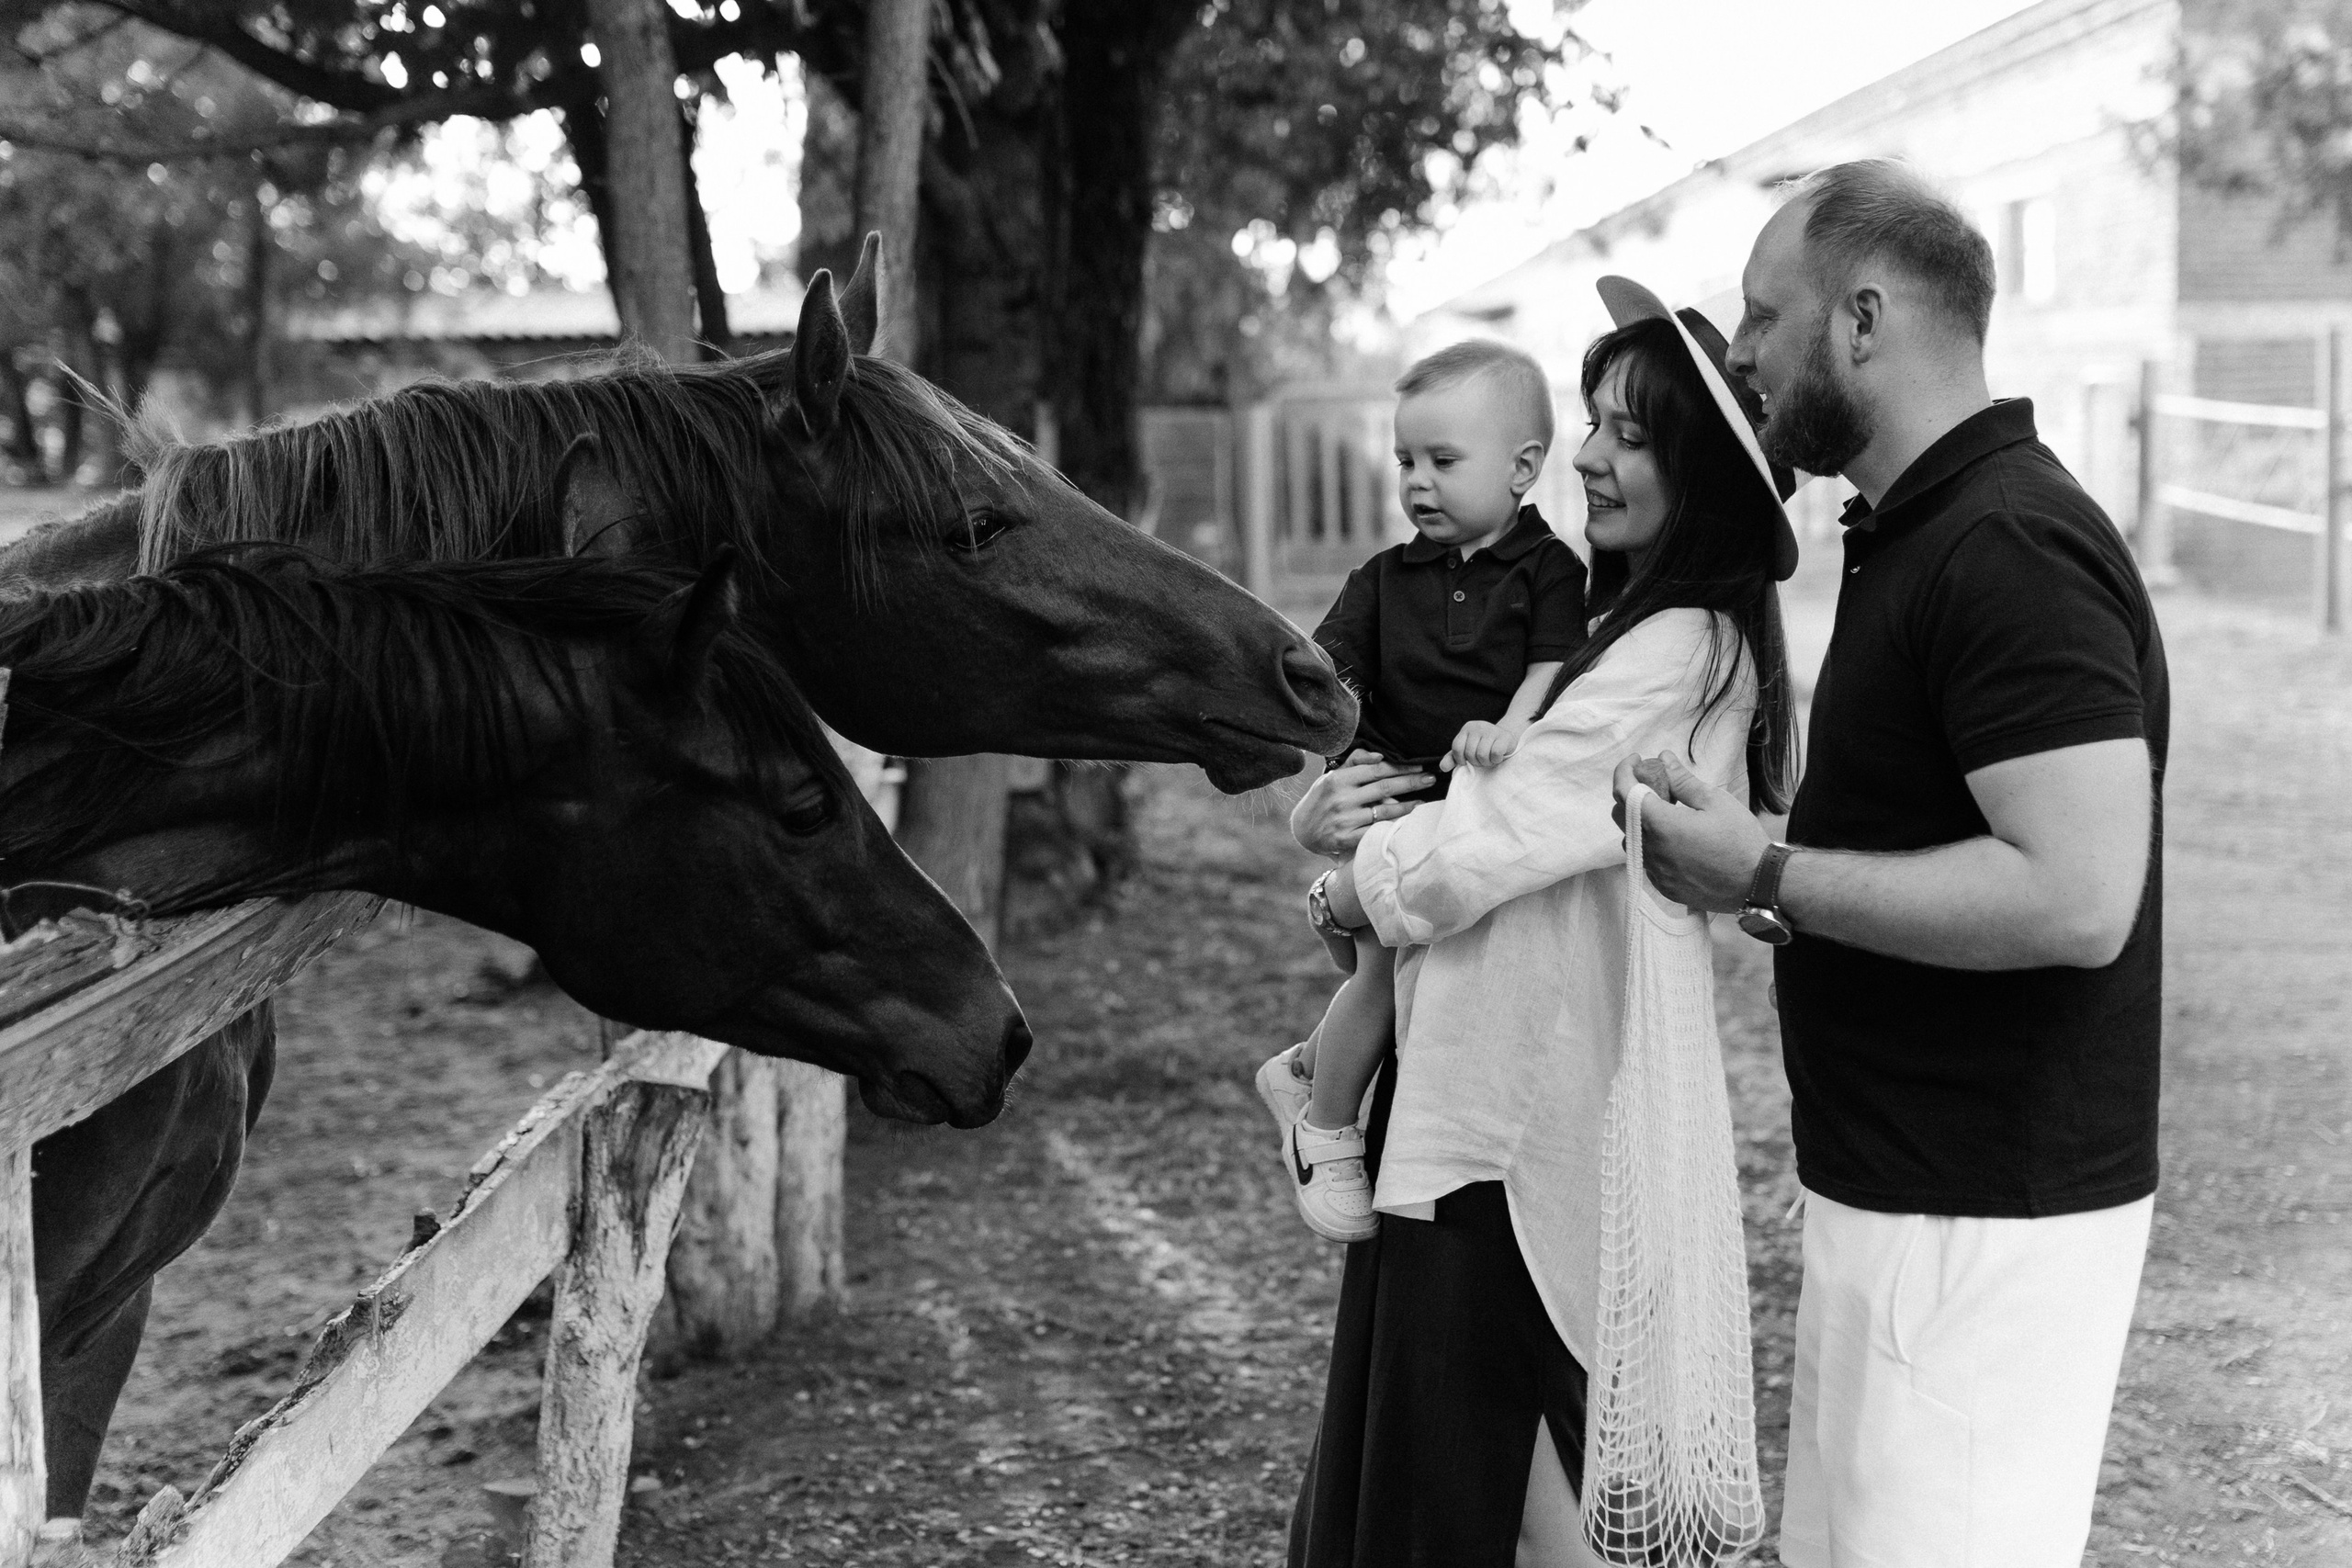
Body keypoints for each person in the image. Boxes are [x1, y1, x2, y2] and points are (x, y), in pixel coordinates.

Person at [1617, 159, 2169, 1568]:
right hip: (1901, 1186)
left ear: (1861, 319)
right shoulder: (1916, 529)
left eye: (1764, 314)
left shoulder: (2009, 542)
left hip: (1984, 1207)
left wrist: (1767, 873)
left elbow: (2076, 894)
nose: (1742, 353)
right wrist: (1777, 864)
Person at [1284, 276, 1799, 1566]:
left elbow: (1497, 832)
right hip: (1477, 1082)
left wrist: (1348, 885)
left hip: (1515, 1117)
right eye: (1593, 423)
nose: (1588, 456)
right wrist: (1341, 818)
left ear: (1700, 474)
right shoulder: (1611, 623)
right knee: (1476, 1461)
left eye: (1631, 434)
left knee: (1473, 1467)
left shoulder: (1681, 648)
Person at [1258, 339, 1588, 1243]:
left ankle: (1307, 1067)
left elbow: (1552, 663)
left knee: (1424, 978)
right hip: (1394, 798)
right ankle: (1326, 1128)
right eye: (1407, 461)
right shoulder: (1381, 578)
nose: (1418, 482)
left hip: (1469, 804)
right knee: (1382, 970)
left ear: (1523, 467)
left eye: (1444, 460)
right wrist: (1336, 763)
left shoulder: (1550, 570)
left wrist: (1510, 726)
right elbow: (1331, 677)